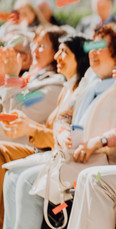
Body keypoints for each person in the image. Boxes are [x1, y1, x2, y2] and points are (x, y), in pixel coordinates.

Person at [5, 24, 116, 229]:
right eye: (92, 47)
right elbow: (64, 117)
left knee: (26, 181)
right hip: (73, 155)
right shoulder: (90, 81)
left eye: (100, 47)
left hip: (102, 161)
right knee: (12, 176)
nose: (93, 52)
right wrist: (62, 134)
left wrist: (99, 142)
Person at [0, 34, 89, 228]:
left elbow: (14, 113)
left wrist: (11, 78)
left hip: (48, 152)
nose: (57, 55)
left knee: (19, 175)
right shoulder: (66, 87)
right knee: (12, 176)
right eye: (35, 44)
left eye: (63, 51)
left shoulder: (56, 85)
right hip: (44, 149)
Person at [0, 28, 67, 132]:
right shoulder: (31, 77)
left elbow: (15, 115)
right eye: (34, 44)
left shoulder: (54, 86)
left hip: (18, 143)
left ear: (57, 51)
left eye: (41, 46)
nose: (34, 50)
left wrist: (11, 77)